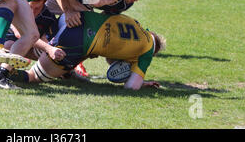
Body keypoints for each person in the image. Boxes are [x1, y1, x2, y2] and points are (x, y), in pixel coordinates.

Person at [12, 11, 165, 90]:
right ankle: (0, 73)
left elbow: (112, 53)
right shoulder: (147, 51)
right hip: (78, 41)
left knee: (37, 50)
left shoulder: (135, 23)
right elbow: (131, 87)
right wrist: (140, 82)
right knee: (33, 77)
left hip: (71, 18)